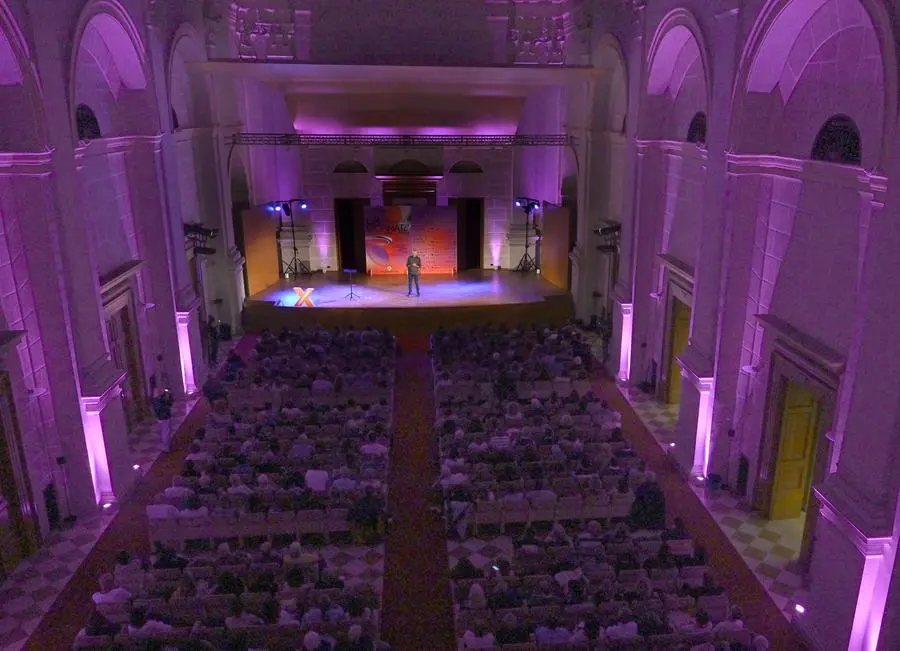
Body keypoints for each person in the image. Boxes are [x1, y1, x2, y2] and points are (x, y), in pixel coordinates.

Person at [152, 388, 175, 453]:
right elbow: (160, 409)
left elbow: (169, 403)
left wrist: (169, 395)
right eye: (157, 392)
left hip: (165, 416)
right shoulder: (156, 401)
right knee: (165, 432)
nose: (159, 392)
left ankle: (167, 445)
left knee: (167, 431)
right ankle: (166, 448)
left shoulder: (159, 399)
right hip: (163, 417)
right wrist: (166, 405)